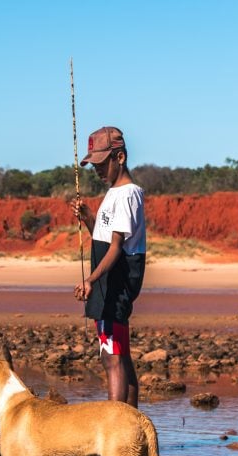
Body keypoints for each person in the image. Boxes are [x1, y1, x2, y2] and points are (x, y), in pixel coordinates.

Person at [72, 127, 146, 407]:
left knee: (112, 358)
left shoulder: (127, 195)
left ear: (121, 157)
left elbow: (117, 248)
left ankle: (115, 428)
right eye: (94, 166)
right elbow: (102, 238)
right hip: (108, 282)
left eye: (103, 164)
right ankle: (130, 427)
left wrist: (91, 279)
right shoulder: (114, 194)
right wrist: (89, 218)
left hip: (113, 284)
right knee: (120, 356)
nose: (98, 171)